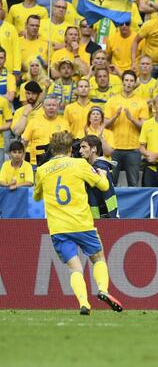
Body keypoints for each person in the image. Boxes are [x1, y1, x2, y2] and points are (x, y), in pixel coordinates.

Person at [33, 131, 122, 315]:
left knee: (75, 268)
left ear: (52, 149)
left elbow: (36, 196)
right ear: (69, 149)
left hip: (58, 228)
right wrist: (102, 175)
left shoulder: (42, 170)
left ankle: (84, 303)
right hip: (82, 224)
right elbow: (104, 186)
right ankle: (103, 290)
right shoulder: (80, 164)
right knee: (98, 258)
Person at [79, 135, 117, 218]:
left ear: (94, 149)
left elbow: (106, 194)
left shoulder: (100, 167)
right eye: (80, 147)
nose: (80, 151)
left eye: (84, 147)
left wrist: (111, 217)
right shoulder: (100, 166)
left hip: (104, 217)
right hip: (104, 216)